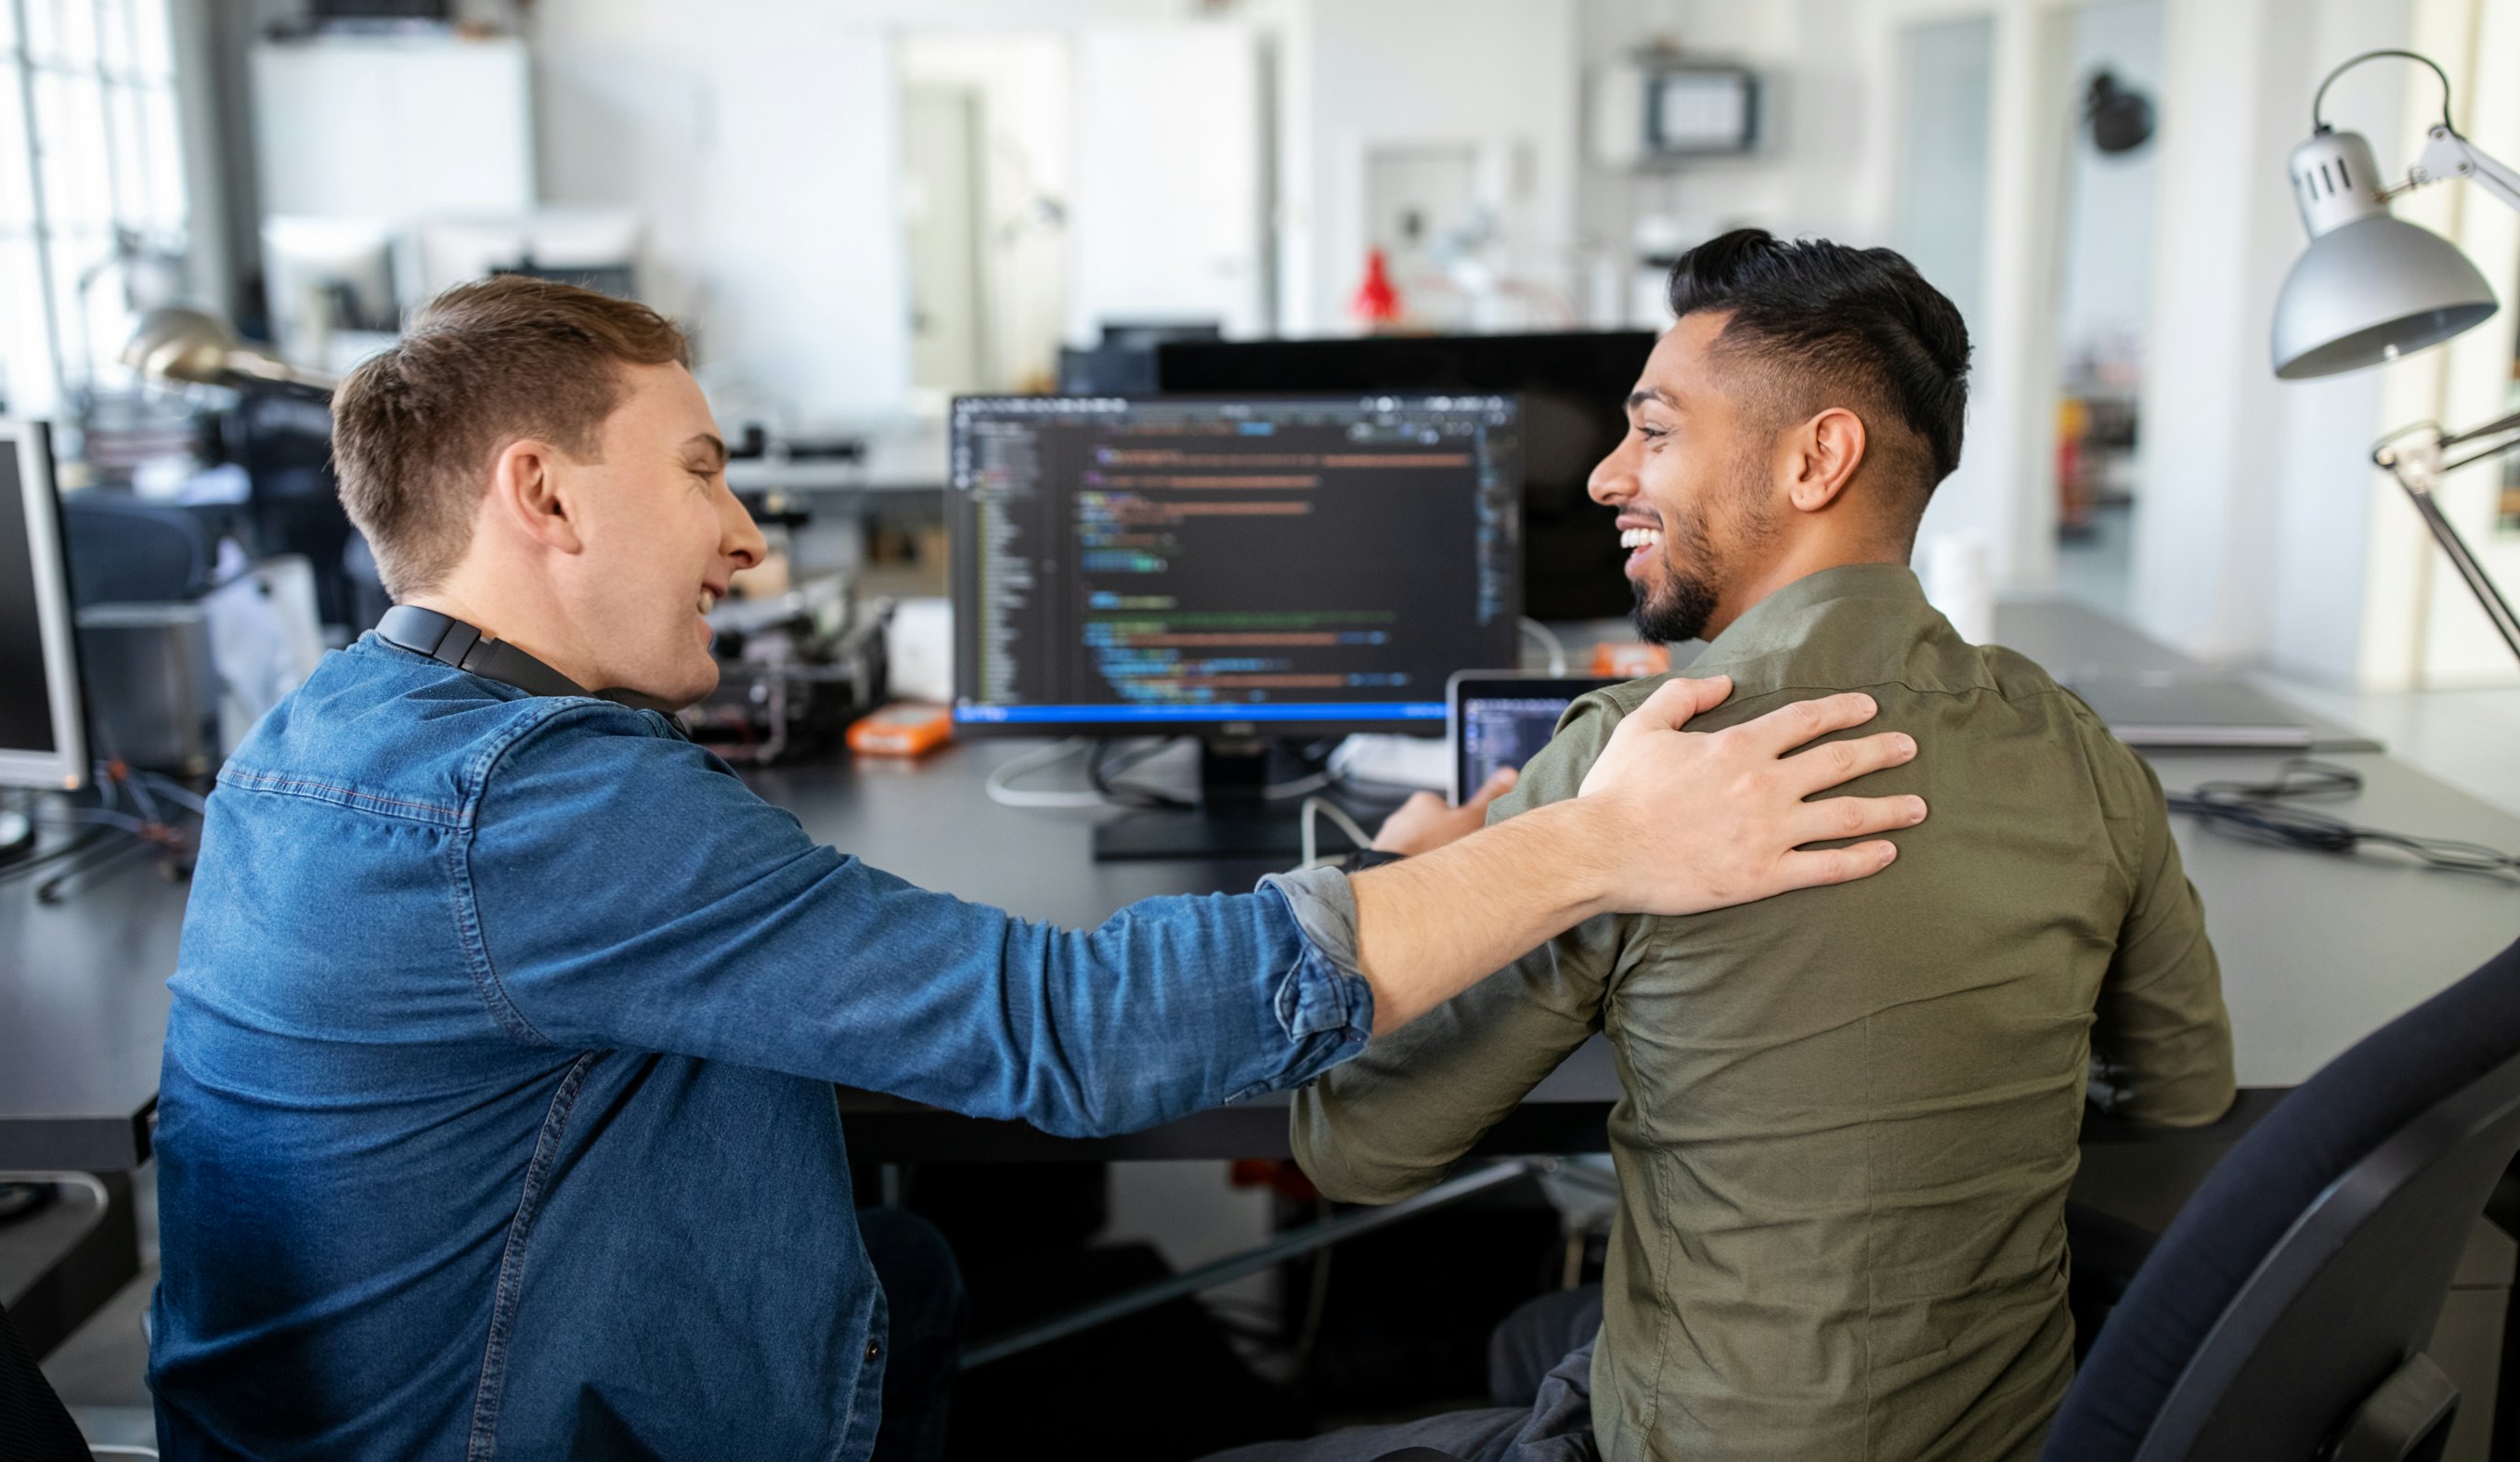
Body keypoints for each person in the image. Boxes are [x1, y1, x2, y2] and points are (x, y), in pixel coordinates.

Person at [142, 276, 1933, 1460]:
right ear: (541, 497)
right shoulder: (530, 808)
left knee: (935, 1274)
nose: (749, 535)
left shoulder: (349, 733)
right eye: (699, 469)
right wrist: (1594, 843)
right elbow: (1065, 1032)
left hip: (400, 1400)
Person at [1229, 230, 2236, 1462]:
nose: (1606, 476)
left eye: (1655, 432)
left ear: (1819, 457)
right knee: (1550, 1332)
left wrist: (1416, 872)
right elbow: (2180, 1089)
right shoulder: (2081, 750)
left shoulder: (1640, 752)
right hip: (2014, 1437)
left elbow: (1357, 1143)